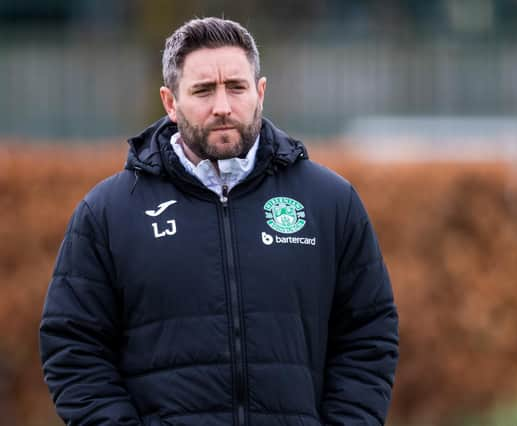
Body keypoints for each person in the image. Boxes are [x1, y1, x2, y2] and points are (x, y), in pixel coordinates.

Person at [39, 17, 399, 426]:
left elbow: (369, 335)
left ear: (260, 92)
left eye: (237, 87)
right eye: (203, 90)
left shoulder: (330, 202)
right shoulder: (109, 212)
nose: (223, 106)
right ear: (170, 102)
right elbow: (73, 346)